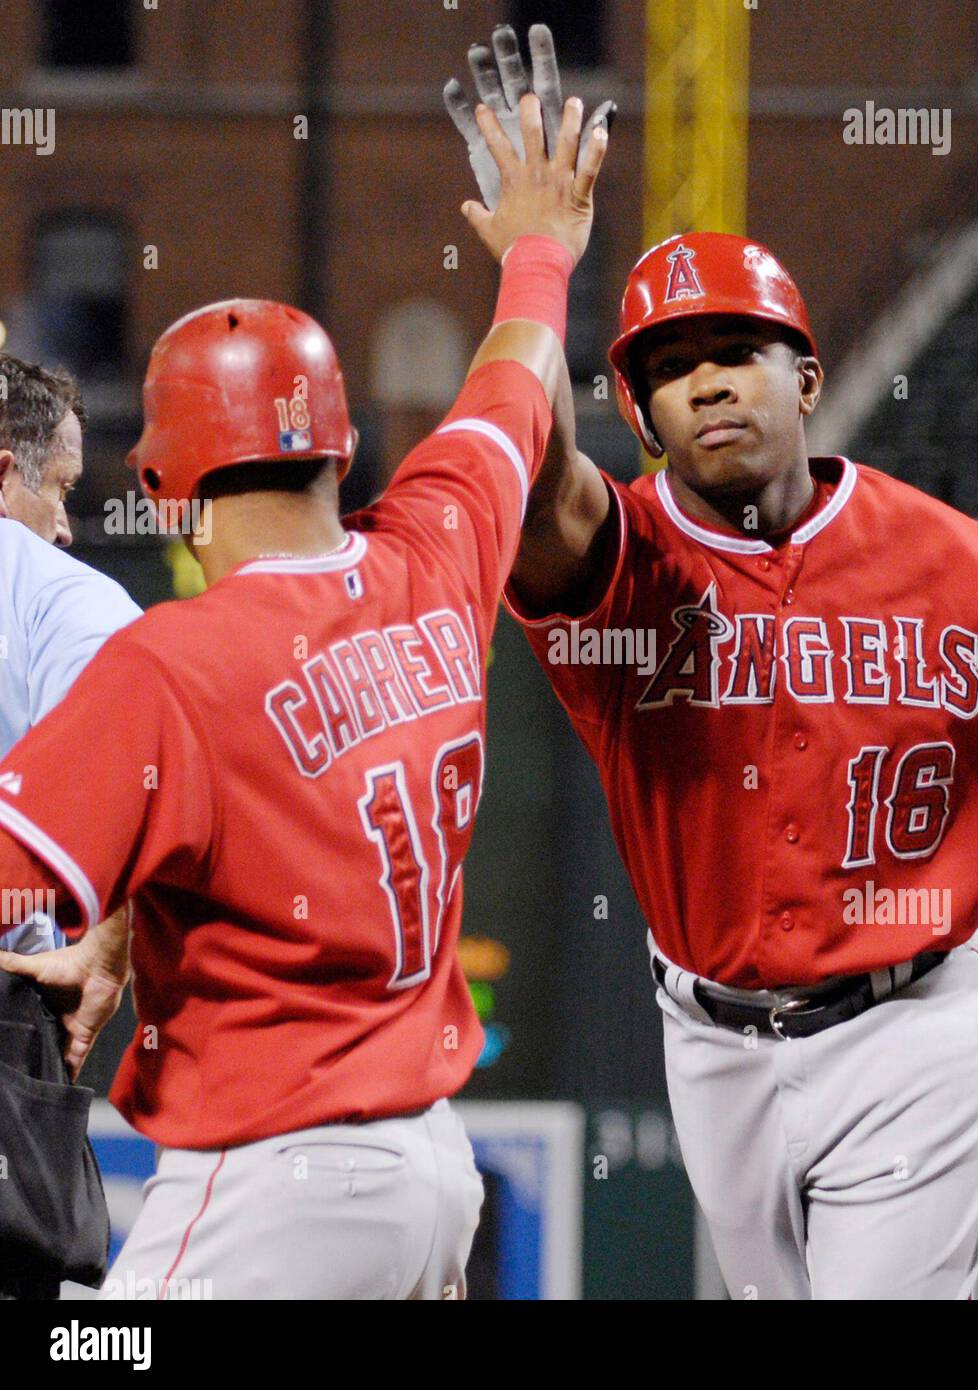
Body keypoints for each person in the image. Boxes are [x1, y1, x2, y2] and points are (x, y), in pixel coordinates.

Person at [449, 33, 978, 1299]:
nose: (707, 385)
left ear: (806, 372)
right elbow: (525, 478)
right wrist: (536, 260)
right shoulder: (624, 559)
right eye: (670, 372)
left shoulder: (960, 561)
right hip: (710, 1035)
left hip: (918, 1026)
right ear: (644, 414)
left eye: (735, 352)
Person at [0, 91, 608, 1299]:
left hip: (272, 1185)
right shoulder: (439, 551)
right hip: (436, 1172)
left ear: (174, 497)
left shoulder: (172, 665)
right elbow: (514, 391)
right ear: (338, 451)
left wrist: (98, 925)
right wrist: (541, 255)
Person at [0, 354, 140, 956]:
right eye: (62, 486)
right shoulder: (63, 591)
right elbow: (122, 799)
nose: (64, 527)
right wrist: (105, 958)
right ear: (4, 476)